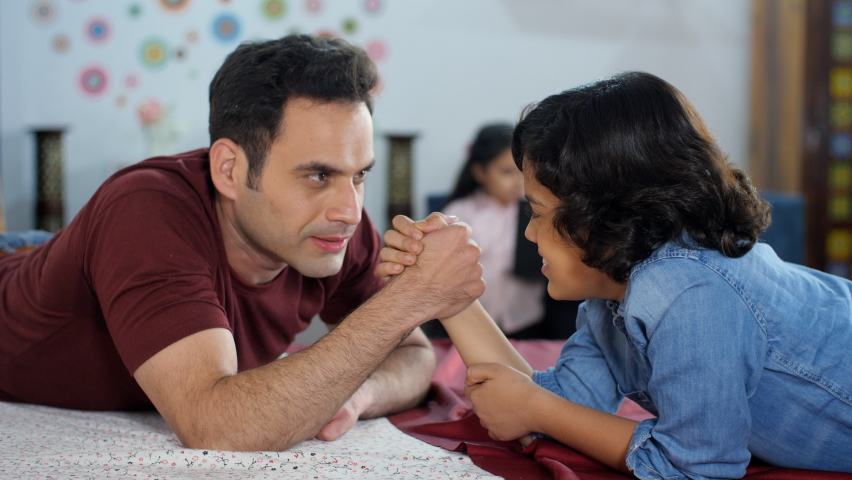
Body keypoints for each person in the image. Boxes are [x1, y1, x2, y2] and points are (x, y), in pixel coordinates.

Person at [0, 35, 485, 452]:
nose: (350, 210)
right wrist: (409, 299)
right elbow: (215, 423)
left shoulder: (332, 227)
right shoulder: (147, 210)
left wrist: (357, 394)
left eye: (359, 175)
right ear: (229, 170)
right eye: (318, 175)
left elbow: (416, 356)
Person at [379, 72, 852, 478]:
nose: (529, 233)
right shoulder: (615, 291)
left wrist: (538, 408)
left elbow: (694, 467)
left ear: (605, 217)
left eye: (538, 212)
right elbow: (568, 407)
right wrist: (450, 294)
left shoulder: (689, 290)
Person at [435, 123, 546, 337]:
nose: (517, 181)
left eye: (522, 171)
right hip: (471, 319)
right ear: (479, 171)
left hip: (526, 319)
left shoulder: (536, 210)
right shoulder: (460, 212)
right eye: (506, 172)